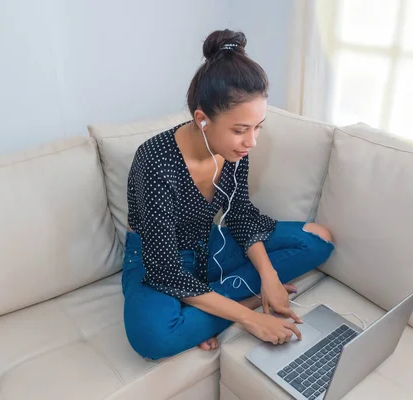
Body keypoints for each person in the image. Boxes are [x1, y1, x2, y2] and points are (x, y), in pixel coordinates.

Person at [122, 29, 335, 360]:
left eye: (258, 126)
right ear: (202, 120)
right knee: (153, 338)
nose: (252, 142)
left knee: (318, 239)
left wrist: (270, 277)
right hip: (157, 259)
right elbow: (164, 270)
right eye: (240, 130)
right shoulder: (155, 162)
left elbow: (239, 214)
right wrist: (251, 317)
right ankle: (232, 304)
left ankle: (205, 311)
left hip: (208, 246)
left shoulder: (235, 151)